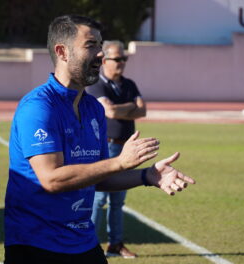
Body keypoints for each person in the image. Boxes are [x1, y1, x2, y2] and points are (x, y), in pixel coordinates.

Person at [4, 14, 195, 264]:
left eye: (100, 45)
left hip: (82, 243)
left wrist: (147, 176)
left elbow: (99, 177)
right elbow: (51, 179)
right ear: (62, 51)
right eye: (90, 45)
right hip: (36, 245)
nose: (100, 54)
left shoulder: (93, 108)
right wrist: (119, 162)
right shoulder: (39, 107)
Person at [86, 40, 145, 259]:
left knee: (118, 201)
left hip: (126, 148)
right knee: (99, 199)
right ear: (104, 60)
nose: (122, 63)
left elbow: (143, 111)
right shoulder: (96, 84)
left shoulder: (129, 84)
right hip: (106, 146)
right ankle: (90, 244)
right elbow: (108, 112)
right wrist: (130, 106)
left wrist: (126, 109)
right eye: (117, 59)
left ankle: (115, 244)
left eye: (124, 59)